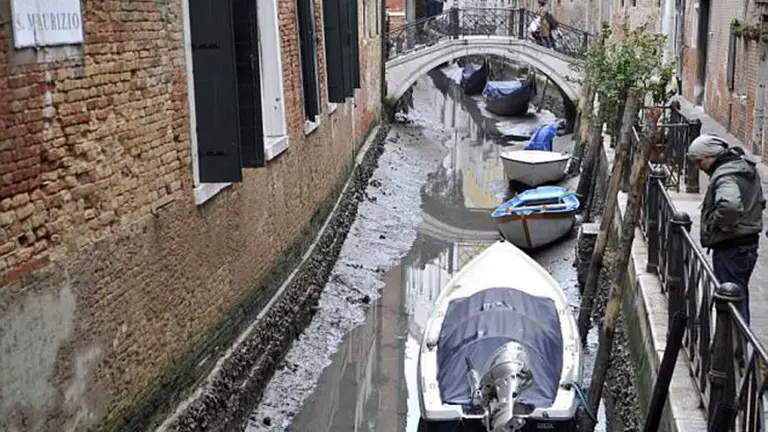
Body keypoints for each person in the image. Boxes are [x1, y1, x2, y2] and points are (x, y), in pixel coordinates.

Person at [687, 134, 765, 324]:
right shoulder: (742, 167)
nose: (698, 167)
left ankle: (735, 351)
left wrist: (720, 222)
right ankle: (736, 348)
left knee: (732, 301)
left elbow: (729, 205)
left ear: (711, 156)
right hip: (747, 244)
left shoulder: (725, 175)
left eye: (699, 161)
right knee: (739, 294)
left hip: (731, 246)